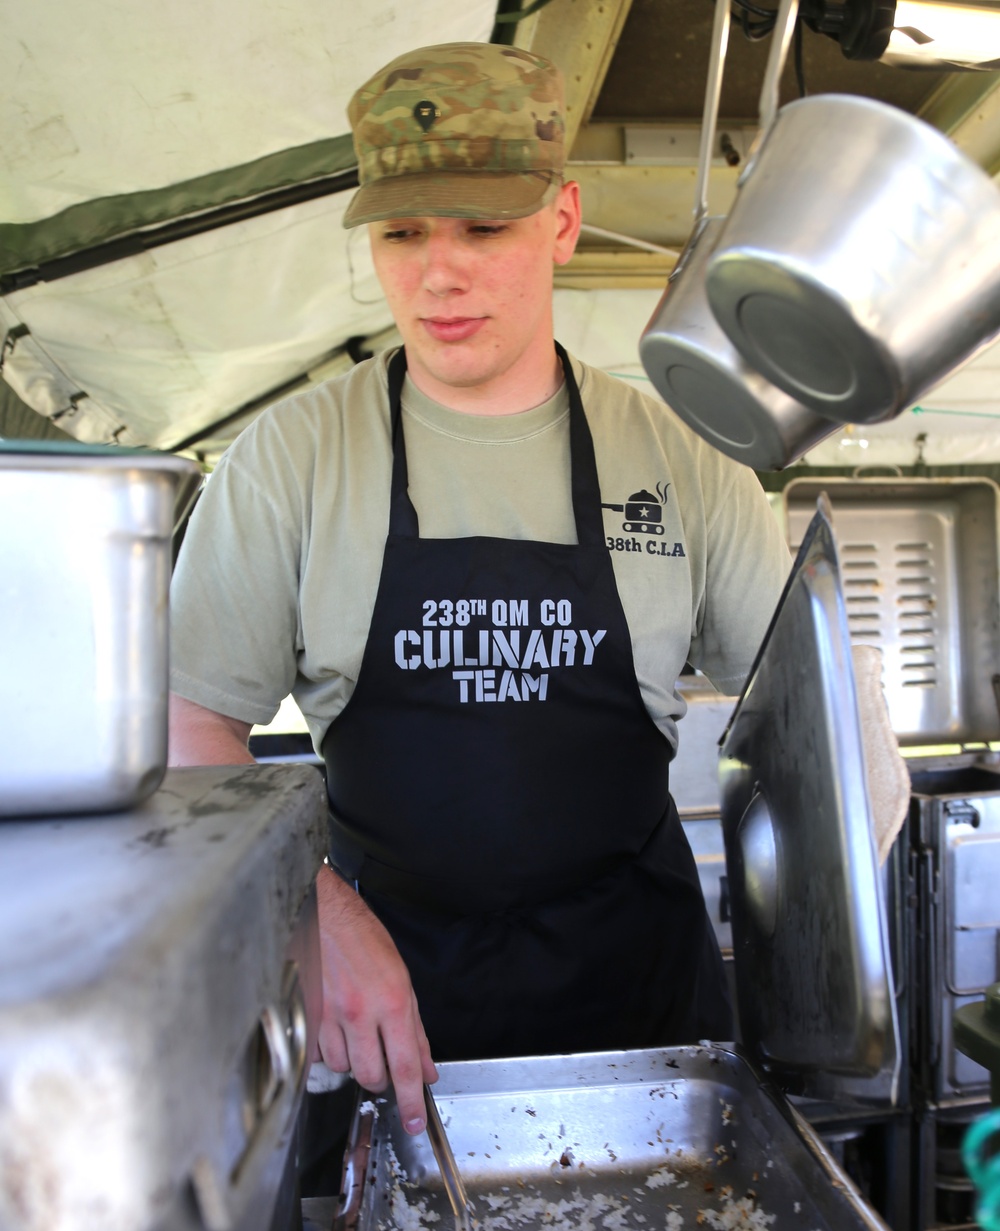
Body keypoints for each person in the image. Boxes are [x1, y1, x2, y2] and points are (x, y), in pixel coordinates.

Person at [168, 40, 790, 1139]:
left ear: (560, 219)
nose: (437, 274)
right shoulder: (296, 457)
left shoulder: (680, 457)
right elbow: (189, 719)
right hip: (382, 1014)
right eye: (402, 233)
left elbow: (806, 720)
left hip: (639, 1013)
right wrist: (308, 917)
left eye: (482, 227)